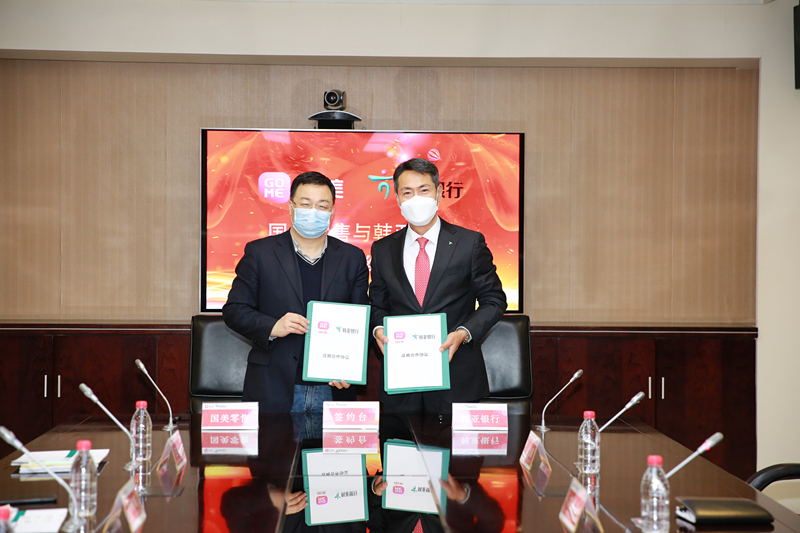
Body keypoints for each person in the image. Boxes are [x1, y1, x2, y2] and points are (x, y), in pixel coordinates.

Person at [223, 171, 369, 414]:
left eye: (322, 206)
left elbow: (361, 320)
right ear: (291, 207)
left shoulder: (352, 258)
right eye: (305, 204)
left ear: (332, 211)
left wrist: (350, 368)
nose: (314, 211)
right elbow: (234, 310)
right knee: (274, 442)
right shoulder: (260, 253)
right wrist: (273, 326)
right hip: (273, 384)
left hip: (332, 386)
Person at [369, 158, 507, 414]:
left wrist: (463, 332)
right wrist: (378, 329)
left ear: (439, 193)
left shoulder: (469, 243)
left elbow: (494, 301)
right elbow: (378, 304)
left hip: (457, 379)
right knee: (399, 440)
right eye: (407, 192)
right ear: (397, 198)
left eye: (424, 190)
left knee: (456, 444)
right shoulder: (382, 249)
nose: (416, 199)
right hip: (401, 383)